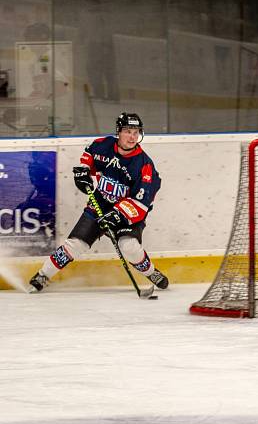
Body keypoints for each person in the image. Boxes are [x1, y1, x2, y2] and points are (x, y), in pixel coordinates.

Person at [27, 112, 168, 293]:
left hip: (127, 213)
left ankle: (151, 272)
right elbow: (89, 156)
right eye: (128, 131)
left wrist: (118, 215)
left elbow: (142, 202)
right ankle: (43, 275)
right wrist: (83, 172)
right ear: (119, 132)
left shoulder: (144, 165)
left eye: (136, 132)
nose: (132, 137)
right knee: (75, 245)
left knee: (129, 246)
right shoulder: (103, 145)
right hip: (99, 205)